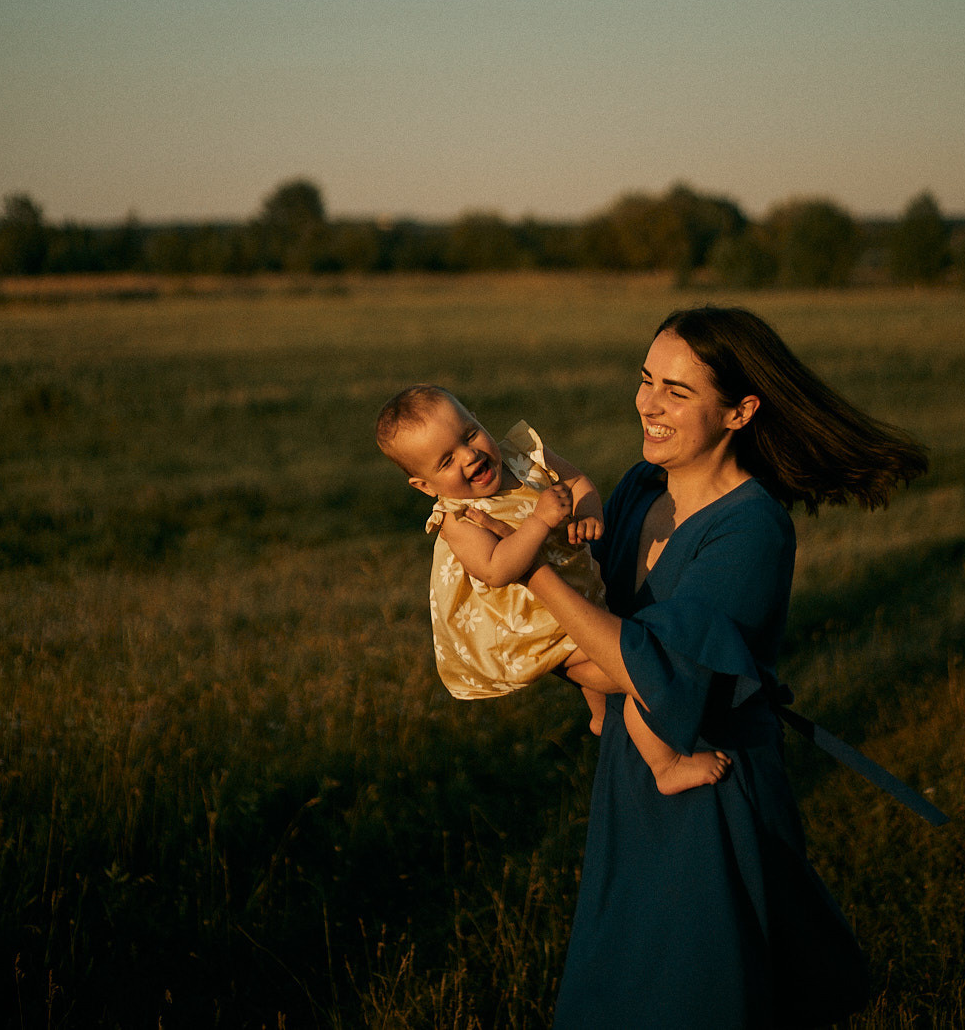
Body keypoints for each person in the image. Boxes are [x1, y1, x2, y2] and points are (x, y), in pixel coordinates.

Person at [464, 307, 929, 1030]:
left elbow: (644, 663)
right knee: (618, 985)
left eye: (677, 391)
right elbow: (589, 641)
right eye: (647, 380)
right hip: (631, 776)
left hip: (713, 782)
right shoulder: (638, 490)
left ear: (741, 411)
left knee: (703, 990)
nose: (648, 403)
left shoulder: (752, 527)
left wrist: (522, 576)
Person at [375, 385, 732, 792]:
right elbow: (496, 569)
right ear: (425, 485)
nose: (469, 456)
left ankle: (600, 716)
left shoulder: (523, 457)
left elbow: (578, 482)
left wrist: (587, 513)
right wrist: (539, 523)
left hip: (575, 595)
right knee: (635, 674)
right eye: (447, 460)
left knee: (607, 660)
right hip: (537, 626)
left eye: (469, 434)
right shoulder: (459, 519)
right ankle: (665, 766)